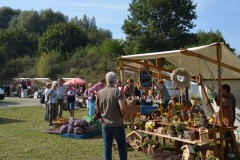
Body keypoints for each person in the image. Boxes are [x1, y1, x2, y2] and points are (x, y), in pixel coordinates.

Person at [96, 71, 127, 160]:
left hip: (105, 124)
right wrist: (123, 117)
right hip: (117, 123)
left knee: (107, 148)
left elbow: (97, 108)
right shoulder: (117, 92)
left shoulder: (100, 92)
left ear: (106, 80)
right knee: (121, 147)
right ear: (114, 80)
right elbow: (123, 108)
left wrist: (100, 117)